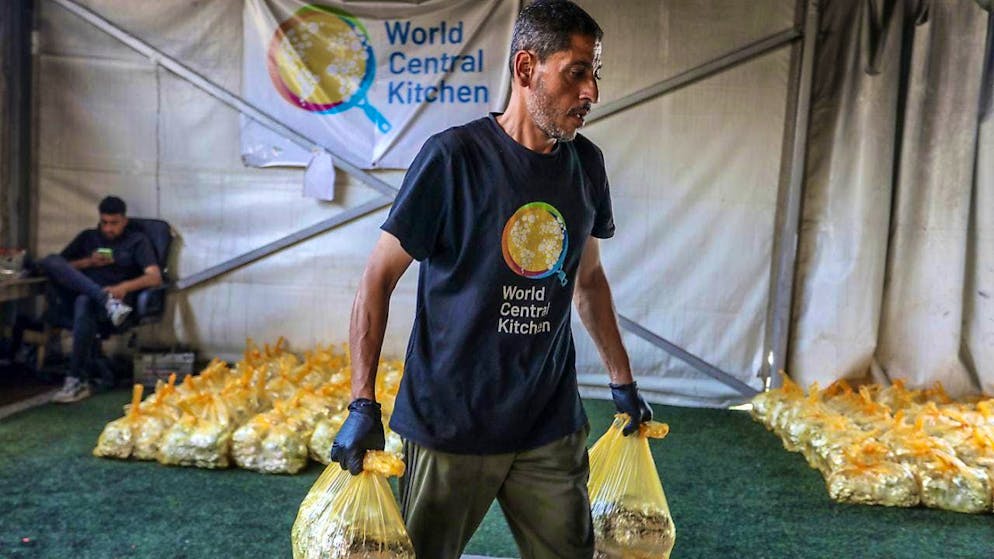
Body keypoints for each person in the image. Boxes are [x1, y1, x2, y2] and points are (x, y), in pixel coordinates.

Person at [331, 2, 652, 557]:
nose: (592, 92)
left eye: (595, 73)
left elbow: (589, 280)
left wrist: (623, 382)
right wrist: (363, 404)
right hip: (448, 425)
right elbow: (376, 281)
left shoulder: (587, 166)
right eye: (576, 71)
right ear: (526, 69)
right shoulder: (454, 159)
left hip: (548, 423)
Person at [39, 196, 161, 403]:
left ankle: (77, 380)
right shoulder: (89, 237)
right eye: (104, 222)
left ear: (124, 220)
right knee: (49, 262)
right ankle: (104, 298)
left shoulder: (137, 241)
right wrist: (89, 262)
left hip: (116, 304)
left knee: (84, 301)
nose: (108, 228)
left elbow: (154, 276)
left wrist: (123, 287)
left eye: (114, 223)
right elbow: (62, 267)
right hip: (85, 296)